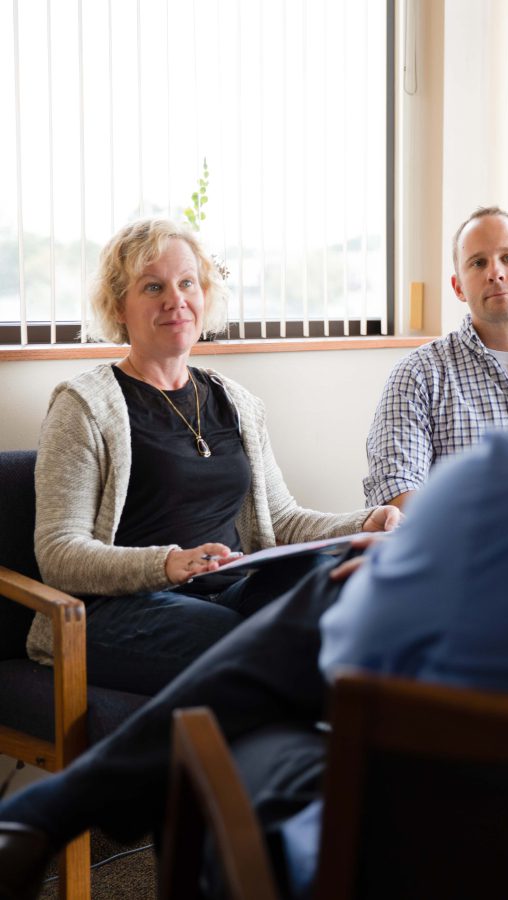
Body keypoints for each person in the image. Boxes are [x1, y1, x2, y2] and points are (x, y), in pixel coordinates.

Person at [2, 428, 508, 900]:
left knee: (280, 664)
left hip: (382, 861)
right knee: (315, 590)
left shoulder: (506, 479)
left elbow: (337, 648)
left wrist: (397, 567)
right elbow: (61, 551)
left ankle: (49, 814)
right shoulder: (87, 403)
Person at [26, 217, 398, 695]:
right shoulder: (83, 406)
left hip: (227, 595)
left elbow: (282, 520)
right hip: (118, 610)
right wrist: (167, 564)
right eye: (153, 287)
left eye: (187, 283)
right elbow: (59, 554)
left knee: (334, 580)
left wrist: (363, 523)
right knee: (248, 645)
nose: (175, 299)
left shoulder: (237, 403)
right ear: (119, 305)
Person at [364, 205, 508, 509]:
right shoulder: (417, 375)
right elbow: (396, 490)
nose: (495, 273)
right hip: (457, 555)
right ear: (458, 287)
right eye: (477, 263)